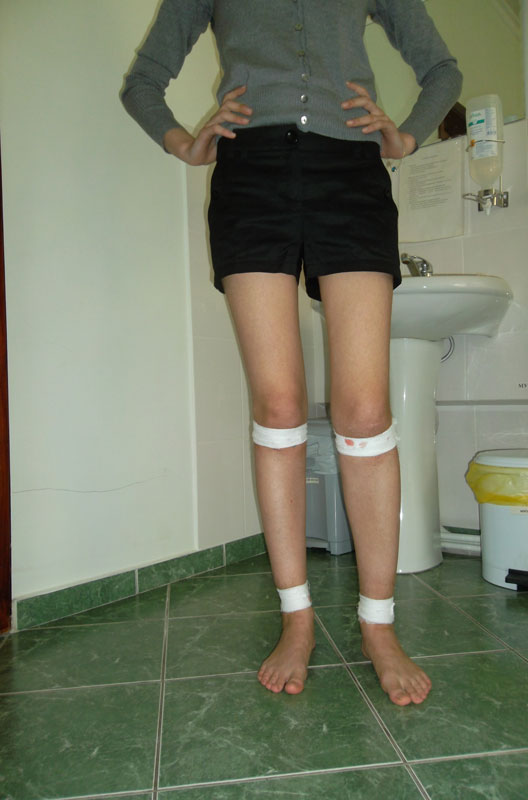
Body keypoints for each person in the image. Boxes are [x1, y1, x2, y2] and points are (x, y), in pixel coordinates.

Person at [121, 0, 462, 706]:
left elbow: (442, 69)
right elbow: (143, 81)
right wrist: (184, 143)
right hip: (252, 175)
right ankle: (296, 617)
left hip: (352, 173)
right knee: (278, 405)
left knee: (364, 411)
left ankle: (378, 624)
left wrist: (405, 136)